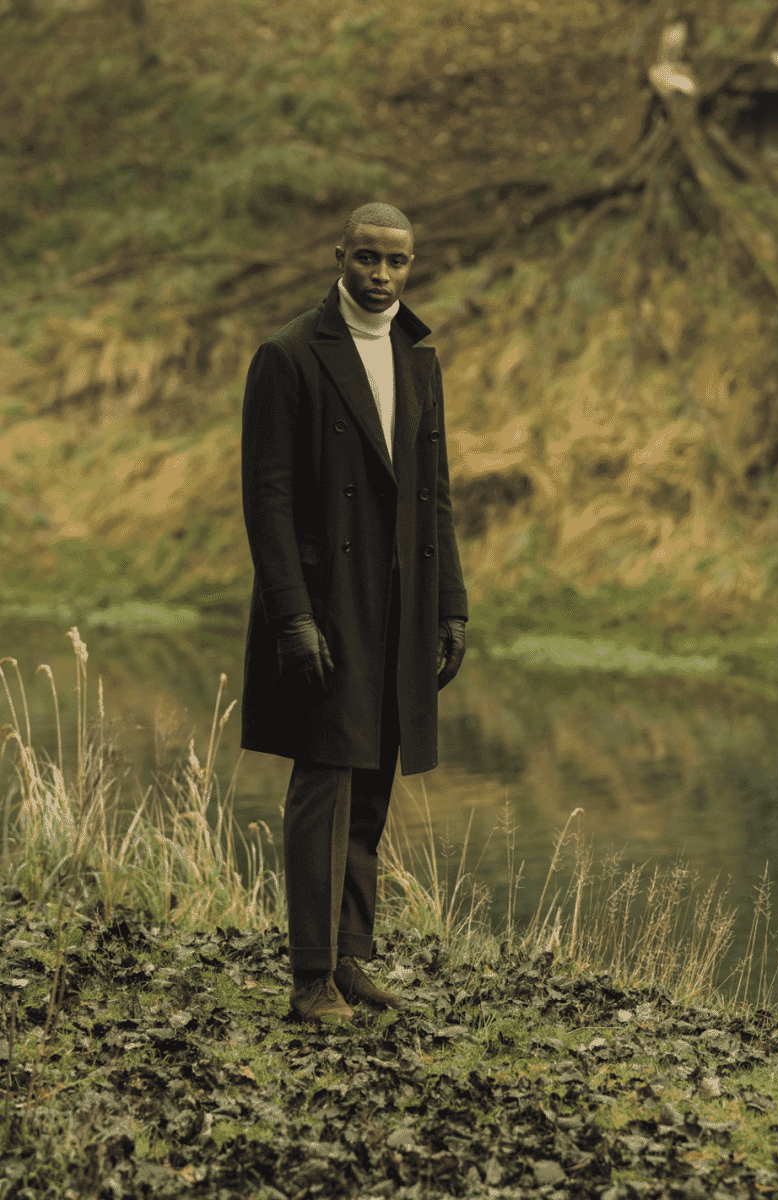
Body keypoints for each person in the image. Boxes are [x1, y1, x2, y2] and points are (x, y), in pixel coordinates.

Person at [240, 202, 468, 1021]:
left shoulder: (418, 358)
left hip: (401, 598)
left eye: (396, 262)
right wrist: (291, 617)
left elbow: (432, 494)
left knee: (371, 784)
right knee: (324, 783)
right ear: (339, 255)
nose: (380, 275)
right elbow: (265, 501)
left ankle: (350, 959)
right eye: (366, 258)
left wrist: (451, 607)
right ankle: (308, 978)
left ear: (412, 265)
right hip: (325, 606)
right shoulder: (290, 355)